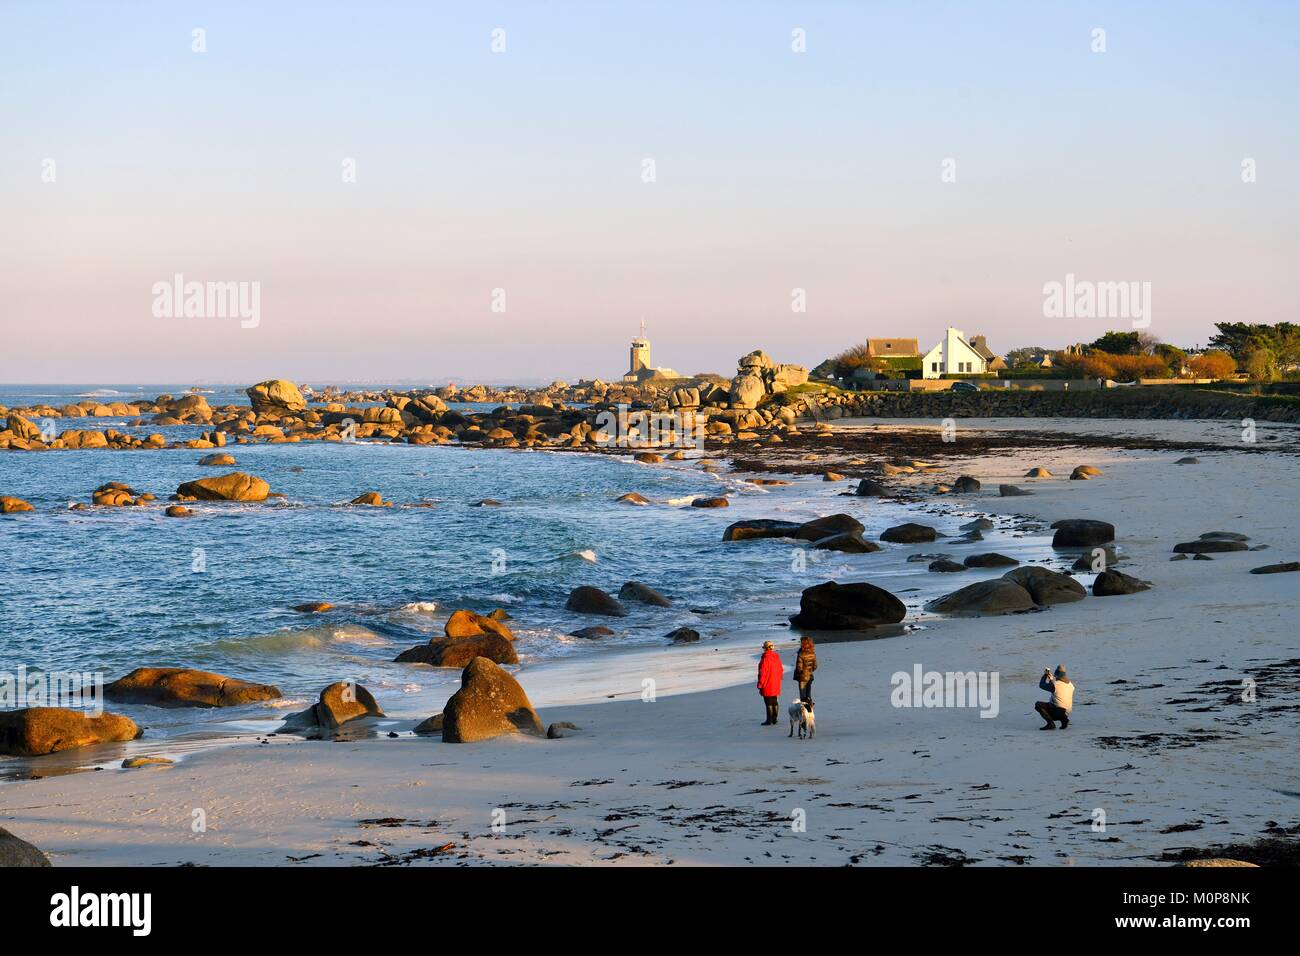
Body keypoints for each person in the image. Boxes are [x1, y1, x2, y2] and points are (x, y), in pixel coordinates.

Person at [1035, 664, 1074, 729]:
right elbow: (1059, 692)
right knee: (1058, 704)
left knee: (1038, 705)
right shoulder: (1071, 685)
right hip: (1067, 712)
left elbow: (1041, 685)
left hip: (1058, 711)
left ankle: (1050, 724)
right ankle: (1064, 720)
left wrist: (1045, 675)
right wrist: (1051, 680)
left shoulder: (1055, 685)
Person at [757, 640, 783, 726]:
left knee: (768, 702)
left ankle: (769, 720)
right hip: (775, 681)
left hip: (767, 683)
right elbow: (780, 669)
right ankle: (774, 719)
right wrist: (779, 678)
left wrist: (760, 684)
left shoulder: (765, 658)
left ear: (765, 648)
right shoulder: (776, 656)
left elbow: (762, 673)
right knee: (774, 700)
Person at [793, 636, 817, 704]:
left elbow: (799, 667)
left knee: (803, 697)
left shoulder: (801, 654)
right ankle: (810, 710)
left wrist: (801, 673)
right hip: (810, 675)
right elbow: (815, 666)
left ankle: (804, 711)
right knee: (808, 695)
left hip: (802, 677)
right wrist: (810, 671)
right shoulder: (812, 653)